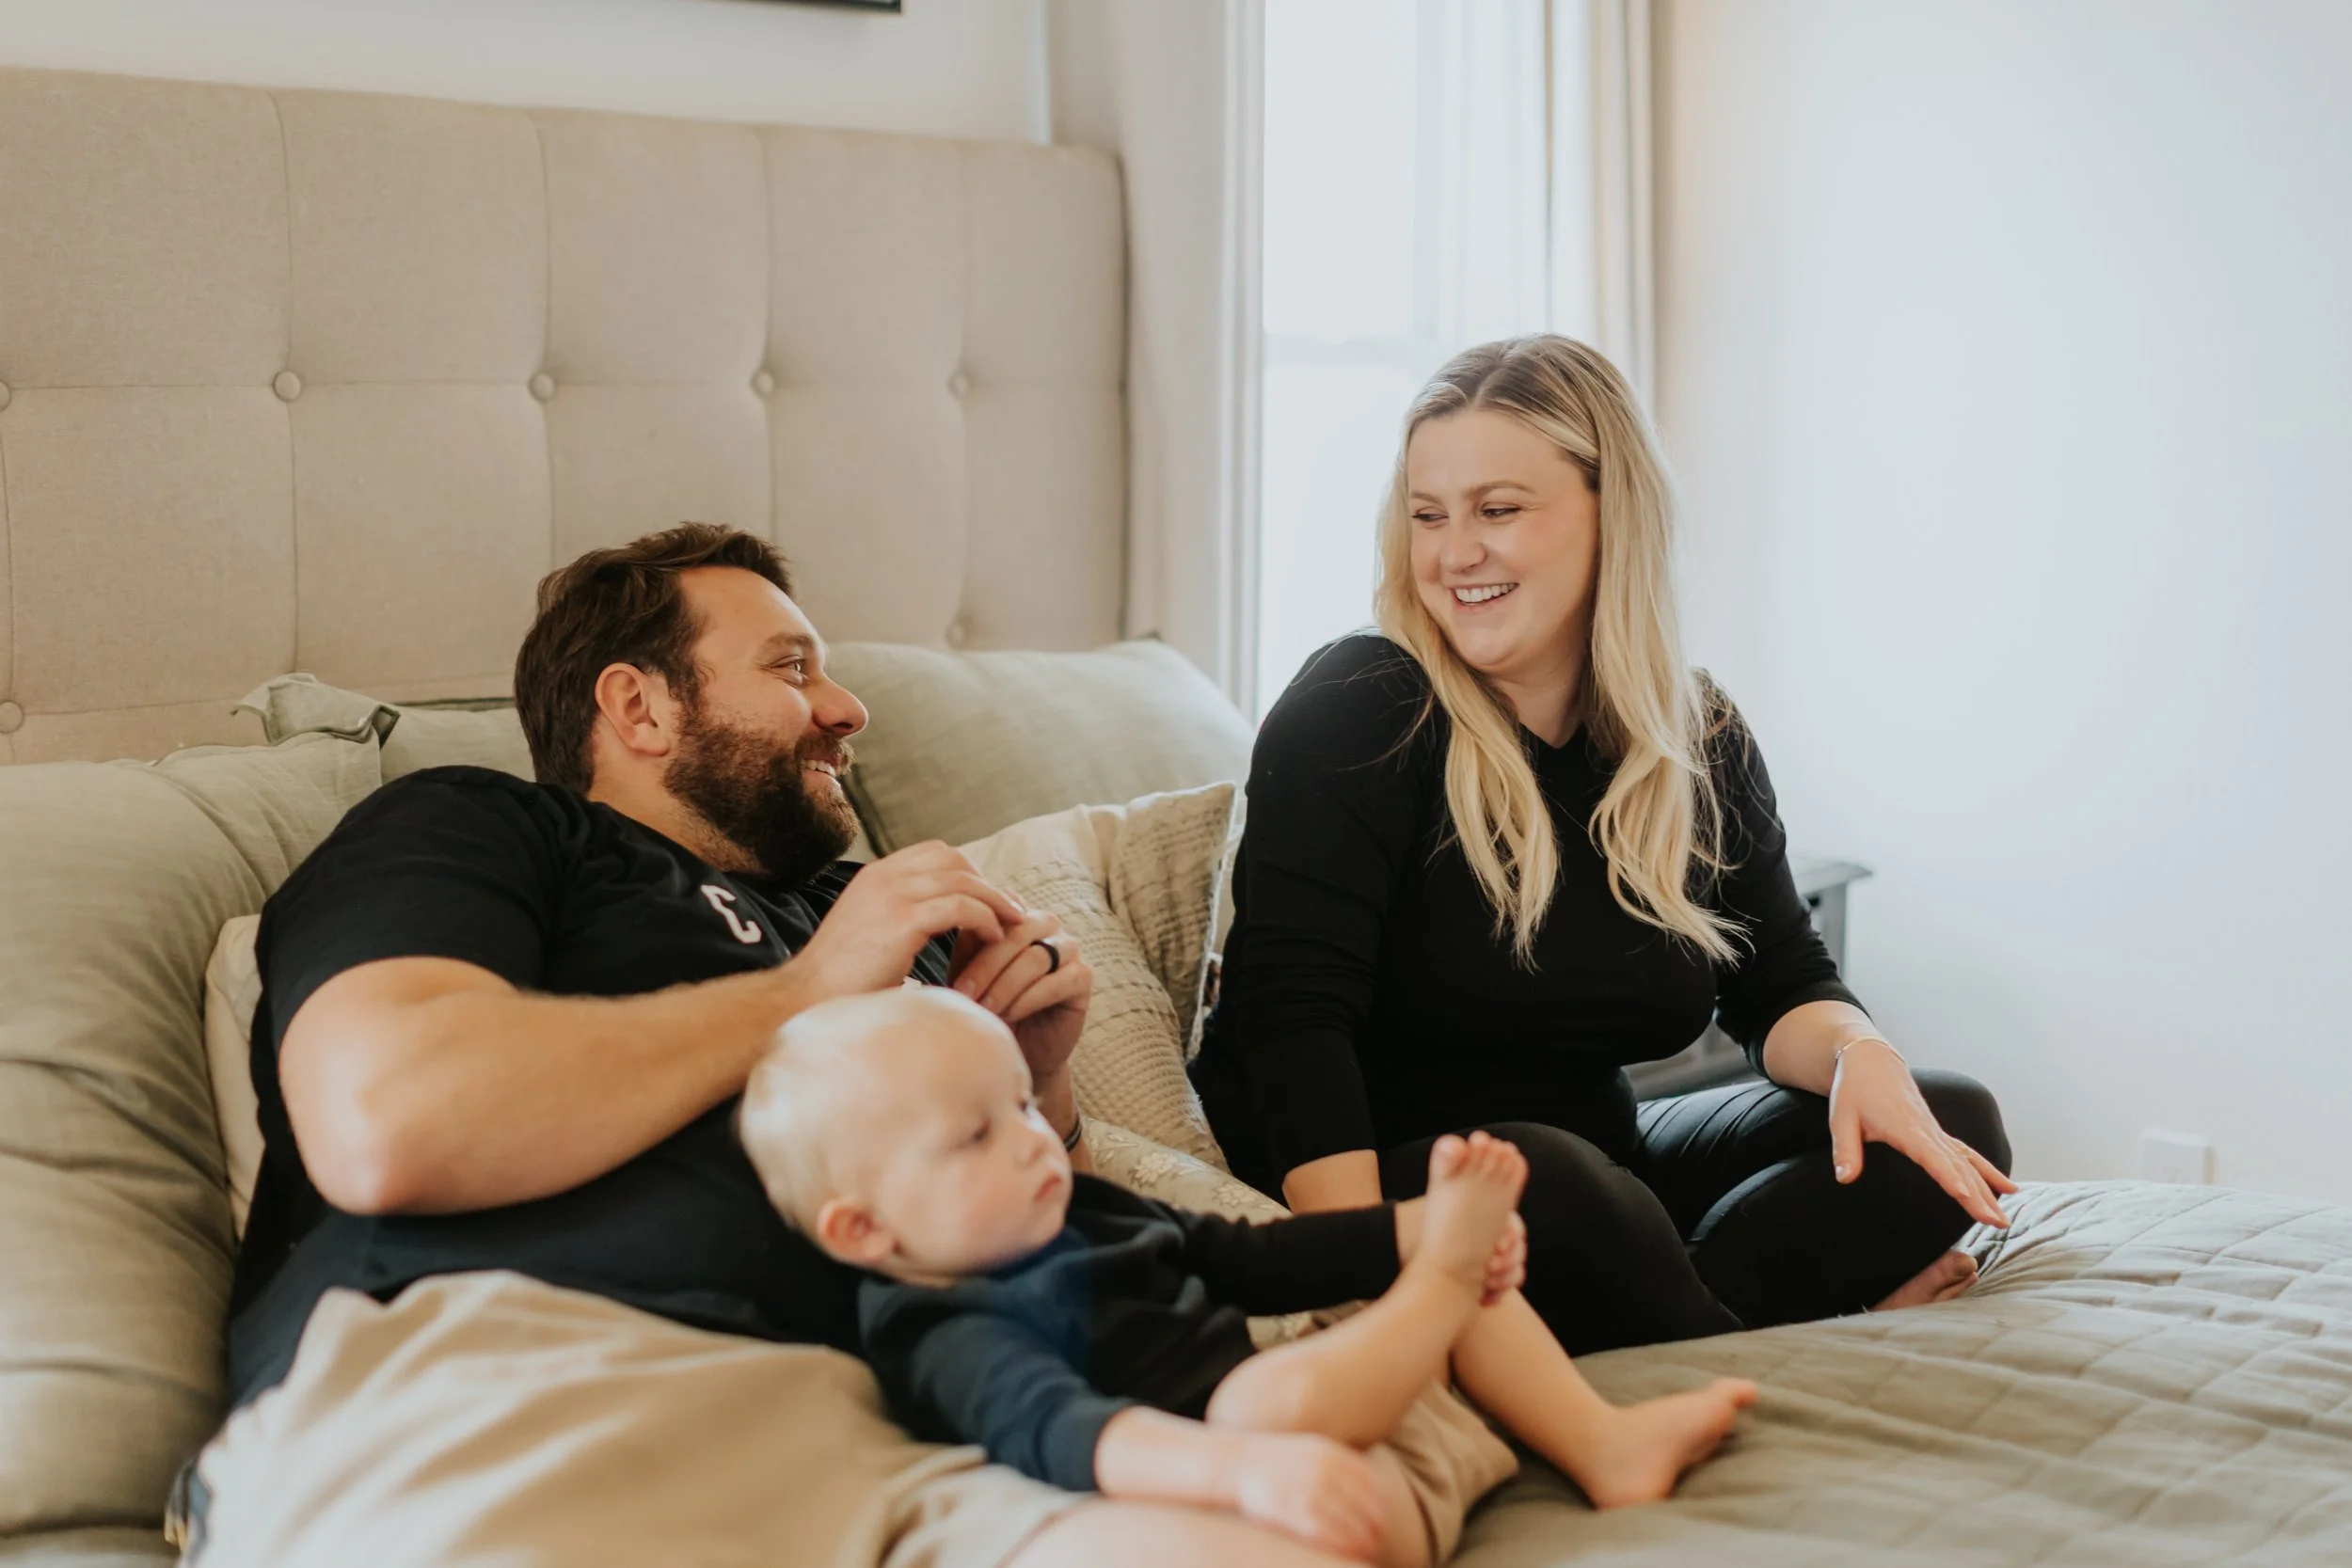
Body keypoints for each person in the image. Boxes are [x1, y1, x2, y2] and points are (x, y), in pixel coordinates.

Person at [183, 525, 1381, 1568]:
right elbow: (393, 1120)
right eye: (791, 666)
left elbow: (1029, 1240)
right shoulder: (491, 828)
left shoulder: (871, 920)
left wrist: (1035, 1085)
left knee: (1330, 1530)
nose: (847, 707)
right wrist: (813, 987)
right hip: (517, 1380)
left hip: (887, 1405)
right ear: (638, 706)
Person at [1191, 336, 2018, 1358]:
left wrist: (1863, 1053)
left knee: (1946, 1120)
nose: (1454, 554)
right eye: (1427, 515)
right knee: (1550, 1182)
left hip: (1596, 1173)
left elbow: (1777, 980)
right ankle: (1764, 1342)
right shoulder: (1362, 707)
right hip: (1393, 1182)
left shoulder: (1690, 731)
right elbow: (1289, 1023)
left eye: (1497, 510)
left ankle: (1688, 1320)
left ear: (1609, 512)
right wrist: (1362, 1272)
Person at [739, 988, 1756, 1567]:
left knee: (1422, 1270)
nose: (1033, 1140)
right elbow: (1075, 1428)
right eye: (976, 1132)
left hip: (1375, 1414)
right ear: (864, 1226)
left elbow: (1255, 1258)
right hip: (1298, 1491)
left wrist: (1415, 1227)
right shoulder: (939, 1325)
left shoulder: (1082, 1208)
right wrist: (1245, 1470)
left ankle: (1599, 1438)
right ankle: (1438, 1287)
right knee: (1262, 1394)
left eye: (1023, 1102)